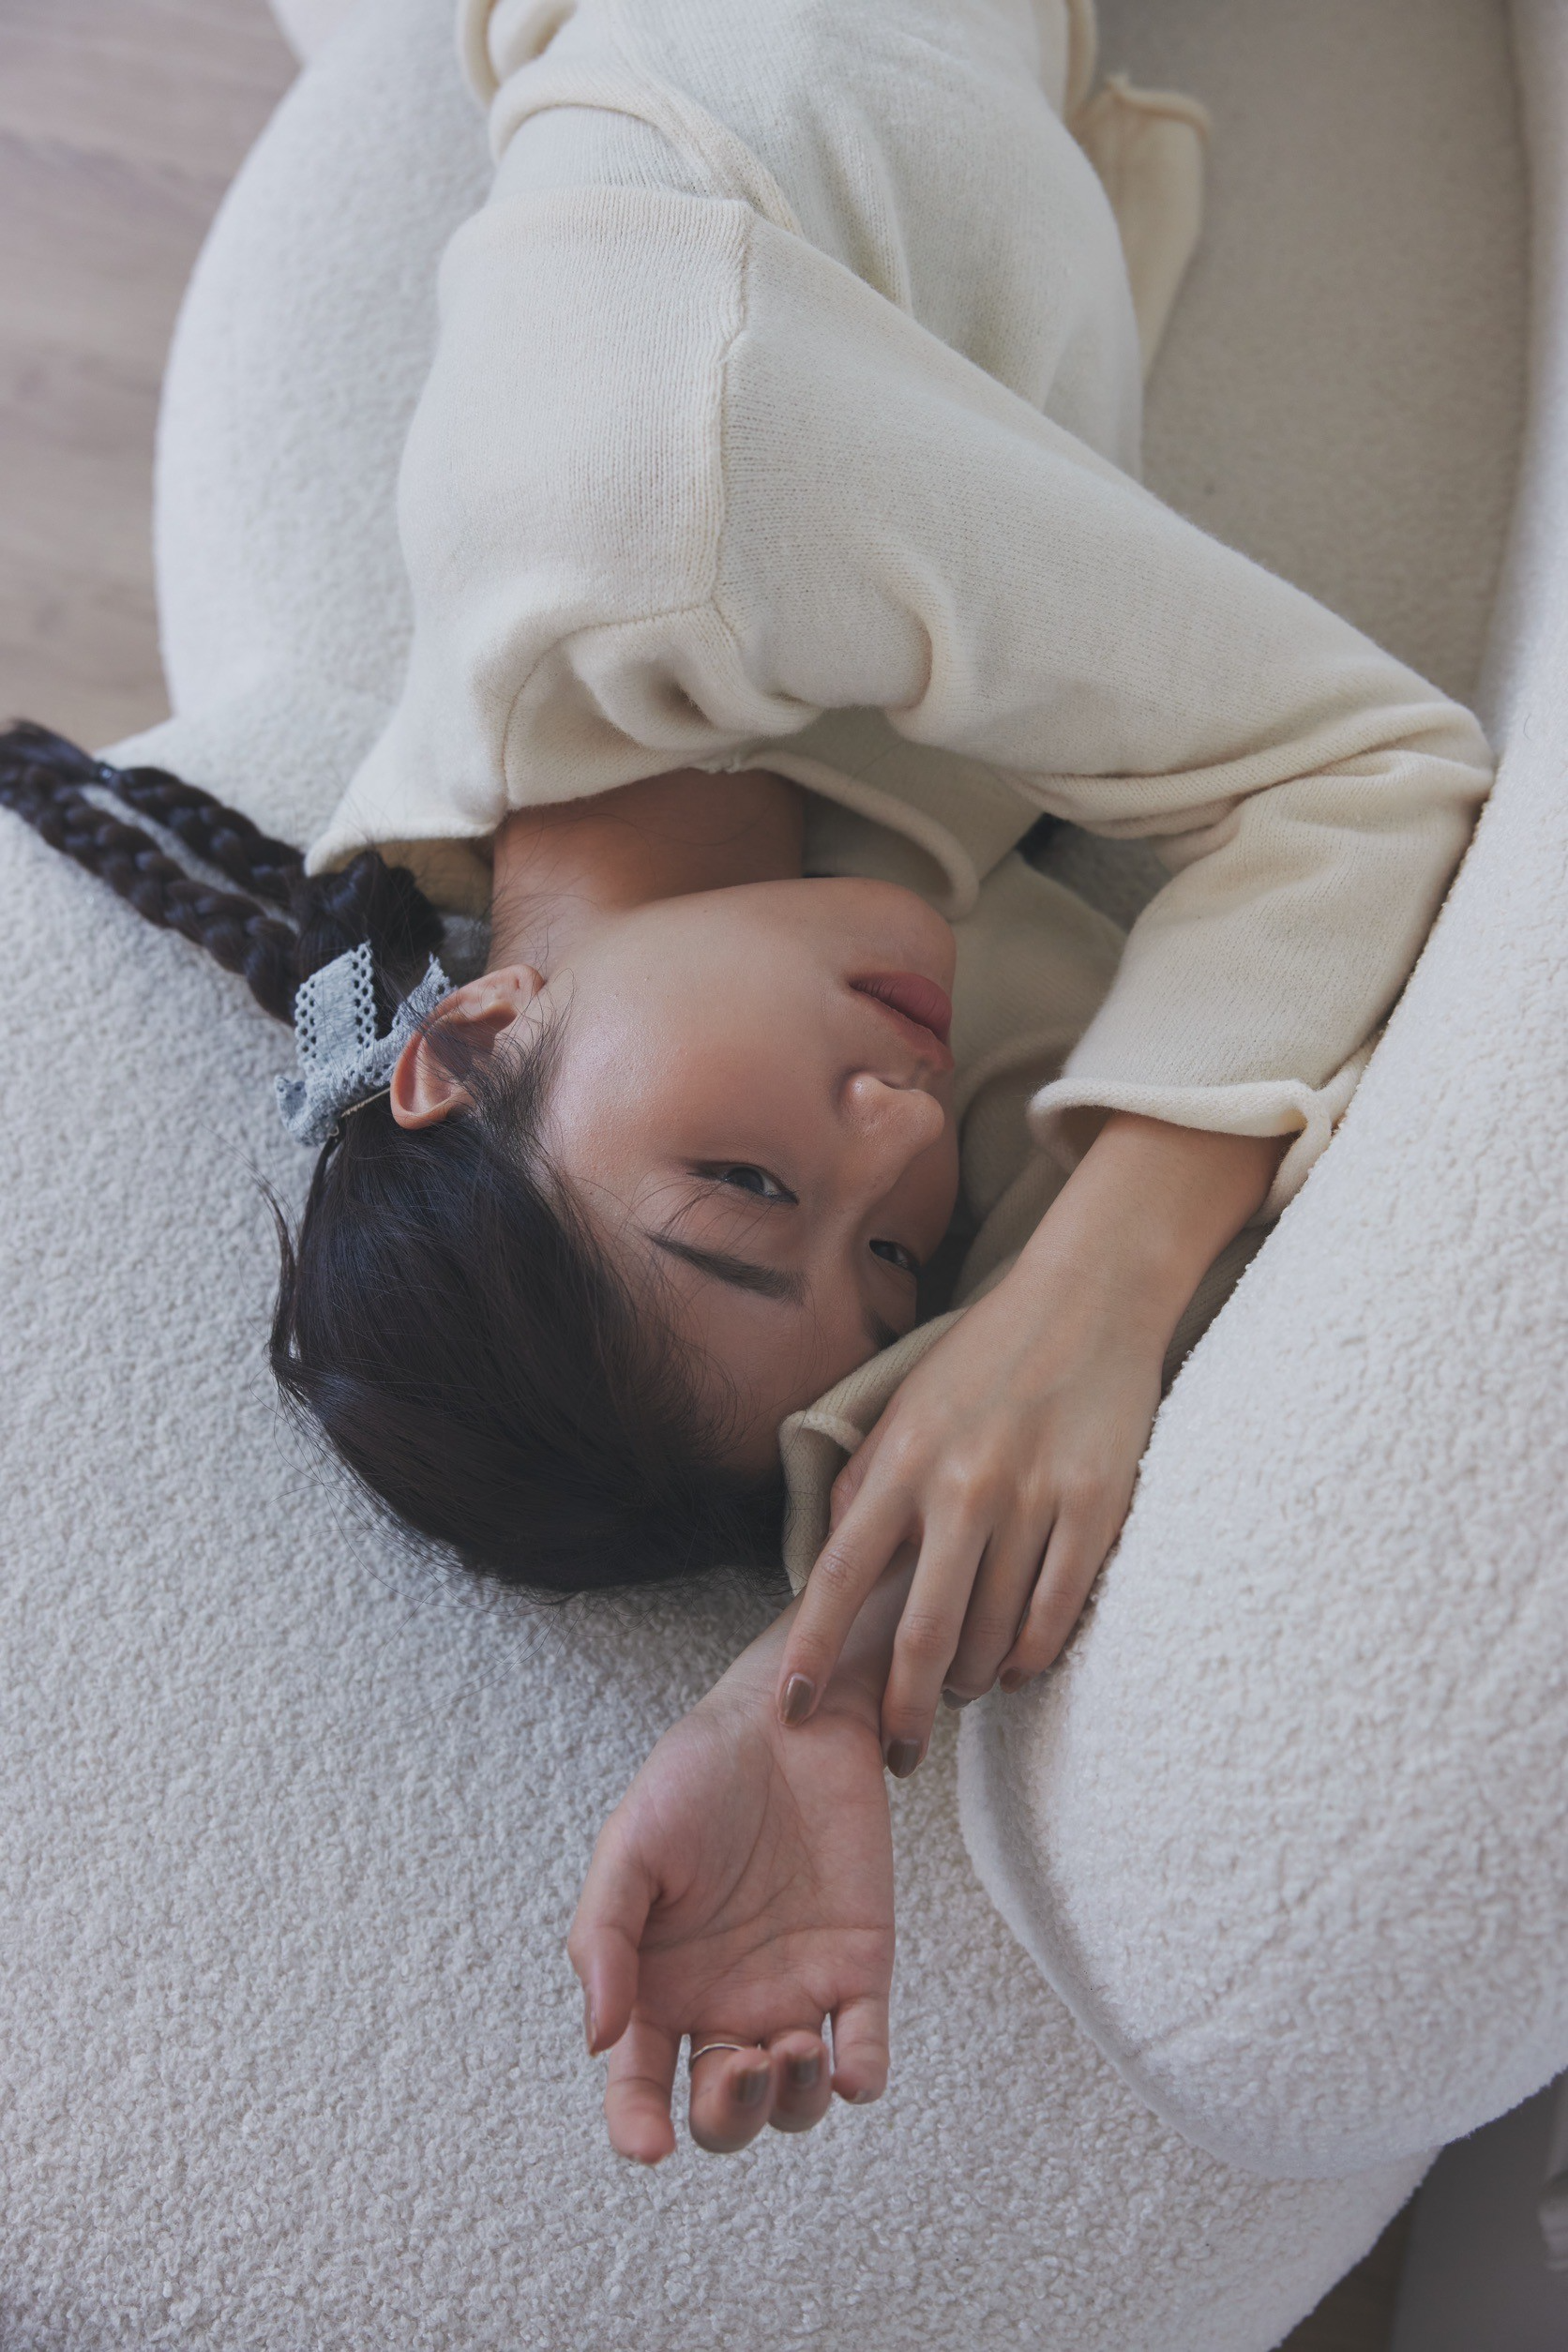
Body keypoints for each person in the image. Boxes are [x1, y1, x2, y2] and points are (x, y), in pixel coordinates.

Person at [0, 0, 1494, 2161]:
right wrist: (800, 1678)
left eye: (746, 1189)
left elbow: (1367, 775)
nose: (900, 1139)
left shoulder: (677, 483)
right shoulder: (783, 931)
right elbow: (1125, 1098)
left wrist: (1082, 1305)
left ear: (472, 1038)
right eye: (885, 1259)